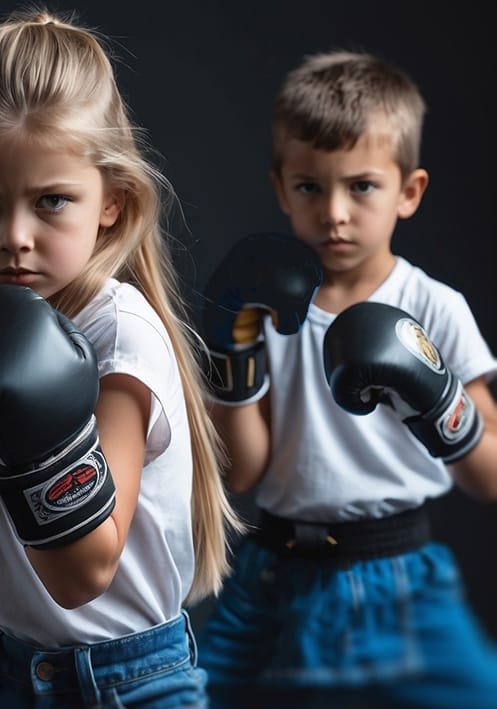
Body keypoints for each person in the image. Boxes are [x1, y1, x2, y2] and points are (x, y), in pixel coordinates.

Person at [0, 9, 243, 708]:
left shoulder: (119, 337)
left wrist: (29, 432)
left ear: (112, 202)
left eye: (51, 201)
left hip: (125, 685)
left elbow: (80, 575)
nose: (14, 236)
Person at [196, 50, 497, 708]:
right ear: (281, 188)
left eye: (361, 186)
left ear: (408, 191)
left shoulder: (433, 306)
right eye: (310, 187)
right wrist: (230, 353)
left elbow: (489, 476)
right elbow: (243, 474)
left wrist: (437, 399)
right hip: (272, 575)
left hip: (403, 578)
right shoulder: (261, 307)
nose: (334, 212)